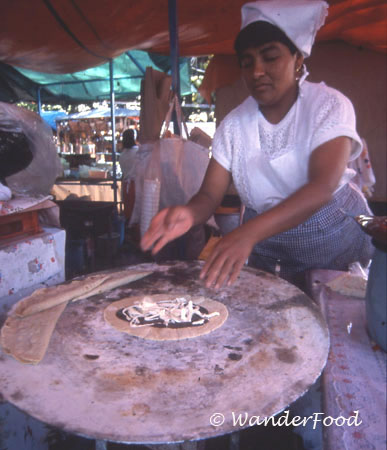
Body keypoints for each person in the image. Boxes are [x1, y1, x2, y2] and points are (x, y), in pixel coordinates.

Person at [141, 0, 374, 289]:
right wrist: (189, 213)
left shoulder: (328, 106)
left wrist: (247, 233)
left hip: (335, 245)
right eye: (247, 61)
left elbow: (321, 187)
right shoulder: (234, 126)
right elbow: (209, 196)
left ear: (297, 59)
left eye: (270, 57)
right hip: (270, 250)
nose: (256, 71)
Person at [119, 128, 138, 222]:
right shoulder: (139, 152)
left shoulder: (122, 155)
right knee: (136, 215)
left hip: (126, 186)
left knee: (128, 215)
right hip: (136, 186)